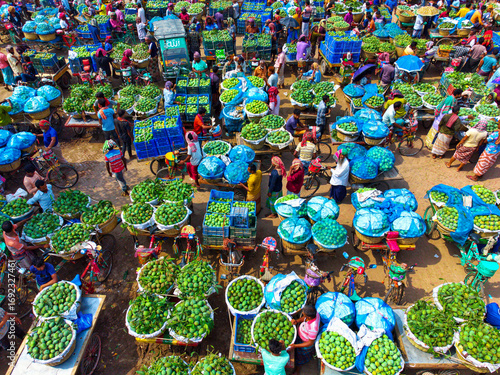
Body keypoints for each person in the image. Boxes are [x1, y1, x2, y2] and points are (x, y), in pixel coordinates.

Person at [290, 305, 320, 374]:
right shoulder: (315, 313)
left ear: (309, 317)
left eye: (304, 314)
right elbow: (304, 318)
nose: (303, 315)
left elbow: (310, 343)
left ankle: (297, 371)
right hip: (301, 336)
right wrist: (297, 321)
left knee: (300, 359)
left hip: (305, 343)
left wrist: (295, 346)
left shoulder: (313, 328)